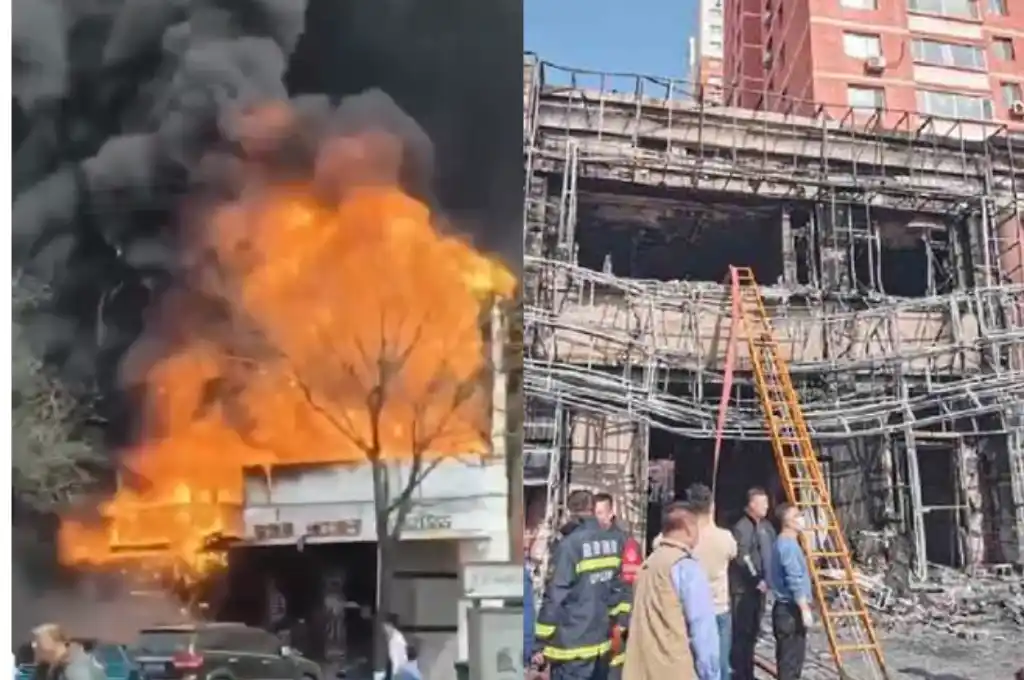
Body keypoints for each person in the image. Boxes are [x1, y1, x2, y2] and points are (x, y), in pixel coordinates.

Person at [534, 489, 625, 680]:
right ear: (593, 509)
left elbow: (556, 594)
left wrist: (540, 640)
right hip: (600, 642)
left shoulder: (569, 545)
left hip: (571, 646)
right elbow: (617, 589)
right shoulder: (613, 541)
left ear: (570, 513)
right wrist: (615, 623)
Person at [622, 502, 720, 680]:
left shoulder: (648, 564)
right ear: (688, 529)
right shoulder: (686, 567)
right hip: (674, 669)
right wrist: (711, 674)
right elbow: (703, 631)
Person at [686, 484, 738, 680]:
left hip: (690, 609)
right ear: (712, 507)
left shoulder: (683, 538)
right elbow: (734, 552)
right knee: (720, 665)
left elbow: (658, 545)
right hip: (718, 608)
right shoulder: (724, 538)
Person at [729, 487, 774, 680]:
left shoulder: (767, 527)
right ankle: (740, 673)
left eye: (767, 502)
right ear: (751, 504)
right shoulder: (742, 527)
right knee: (742, 632)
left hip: (763, 587)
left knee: (754, 631)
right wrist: (756, 579)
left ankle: (748, 671)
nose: (766, 506)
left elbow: (772, 552)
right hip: (745, 589)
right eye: (762, 503)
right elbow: (743, 556)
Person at [593, 493, 638, 678]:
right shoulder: (585, 541)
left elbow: (629, 586)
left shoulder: (626, 543)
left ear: (612, 513)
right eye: (595, 513)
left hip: (614, 625)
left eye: (601, 512)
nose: (598, 518)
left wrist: (622, 623)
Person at [768, 504, 813, 680]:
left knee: (792, 660)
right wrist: (804, 608)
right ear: (787, 521)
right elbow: (793, 578)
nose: (801, 518)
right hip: (789, 610)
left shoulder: (786, 543)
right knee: (790, 662)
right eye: (797, 515)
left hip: (787, 609)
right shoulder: (787, 546)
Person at [31, 625, 104, 680]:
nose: (34, 646)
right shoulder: (43, 667)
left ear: (56, 643)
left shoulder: (78, 668)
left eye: (39, 642)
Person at [383, 614, 408, 678]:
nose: (384, 629)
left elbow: (398, 661)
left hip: (399, 673)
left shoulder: (396, 640)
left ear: (390, 625)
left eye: (385, 626)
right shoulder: (393, 638)